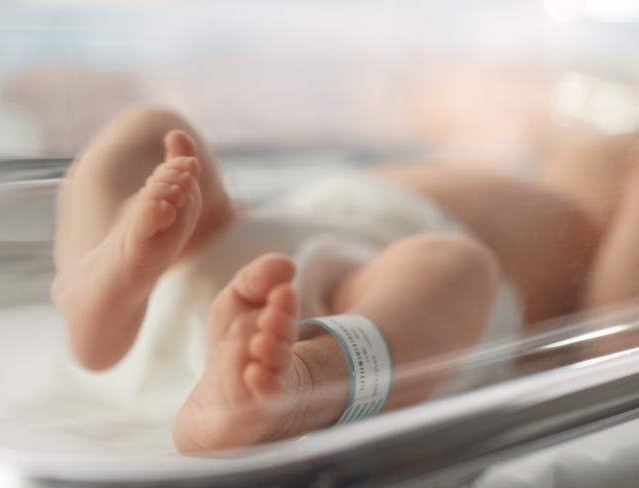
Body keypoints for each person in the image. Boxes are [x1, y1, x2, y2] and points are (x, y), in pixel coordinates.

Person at [50, 107, 638, 453]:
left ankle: (308, 382)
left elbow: (613, 345)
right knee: (154, 129)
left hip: (352, 308)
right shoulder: (548, 184)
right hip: (232, 251)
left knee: (454, 267)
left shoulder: (596, 247)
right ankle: (97, 286)